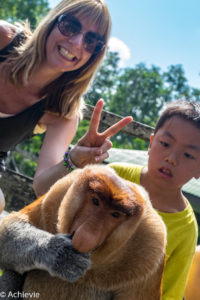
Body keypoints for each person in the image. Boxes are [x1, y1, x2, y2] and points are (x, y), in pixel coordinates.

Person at [0, 0, 132, 212]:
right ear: (52, 22)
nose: (78, 42)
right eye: (70, 26)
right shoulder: (4, 38)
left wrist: (74, 160)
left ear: (94, 55)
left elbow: (41, 187)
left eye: (91, 41)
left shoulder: (63, 113)